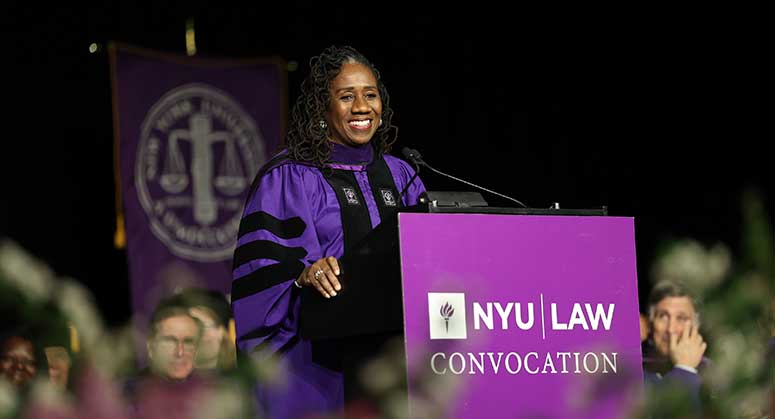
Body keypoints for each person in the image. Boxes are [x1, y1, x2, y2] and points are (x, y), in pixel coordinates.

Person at [231, 45, 426, 419]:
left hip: (397, 362)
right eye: (346, 96)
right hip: (321, 366)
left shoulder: (402, 175)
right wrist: (301, 277)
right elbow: (262, 275)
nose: (361, 107)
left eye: (370, 95)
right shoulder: (290, 177)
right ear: (324, 108)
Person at [642, 280, 709, 413]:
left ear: (696, 327)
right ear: (651, 324)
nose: (671, 329)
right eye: (663, 317)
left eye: (681, 318)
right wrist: (684, 369)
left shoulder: (715, 376)